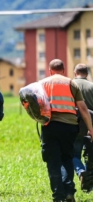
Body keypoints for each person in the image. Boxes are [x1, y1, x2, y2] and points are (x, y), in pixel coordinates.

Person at [39, 59, 93, 202]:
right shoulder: (71, 83)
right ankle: (69, 192)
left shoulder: (42, 83)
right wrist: (90, 128)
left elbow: (33, 105)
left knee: (53, 161)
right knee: (67, 159)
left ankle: (58, 196)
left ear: (50, 70)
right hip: (69, 127)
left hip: (50, 126)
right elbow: (83, 108)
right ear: (64, 70)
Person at [72, 64, 93, 188]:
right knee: (90, 154)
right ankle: (88, 179)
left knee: (74, 154)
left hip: (74, 123)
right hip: (91, 125)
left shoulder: (69, 85)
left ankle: (81, 172)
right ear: (87, 73)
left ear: (75, 73)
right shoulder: (92, 86)